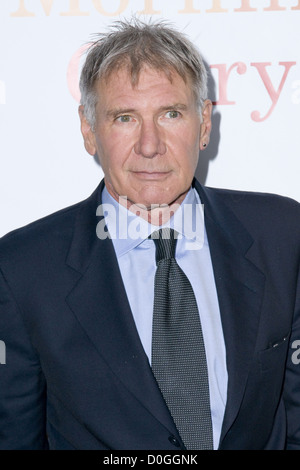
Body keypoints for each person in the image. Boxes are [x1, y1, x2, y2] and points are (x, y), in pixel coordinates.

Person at [0, 17, 299, 451]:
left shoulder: (282, 236)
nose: (149, 145)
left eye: (171, 114)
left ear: (204, 125)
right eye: (124, 118)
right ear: (89, 130)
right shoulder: (23, 268)